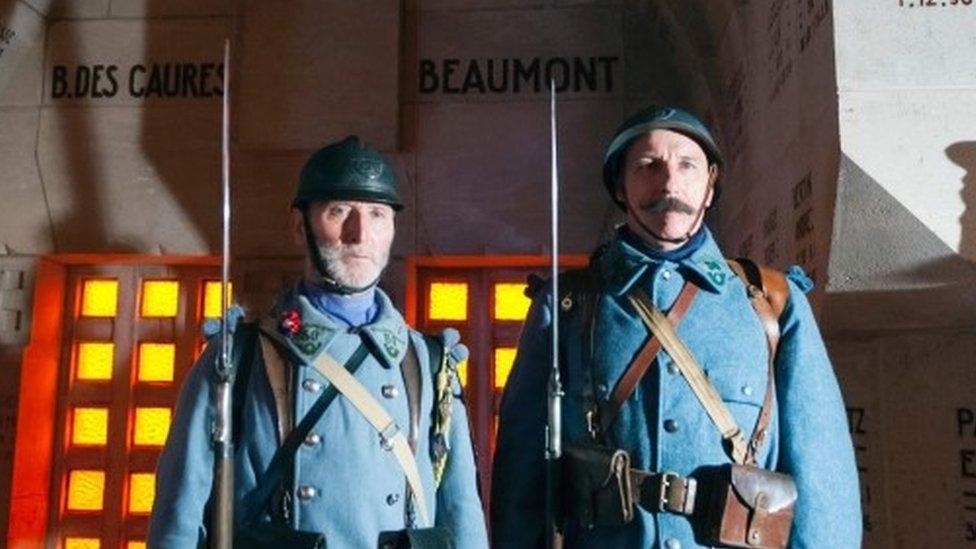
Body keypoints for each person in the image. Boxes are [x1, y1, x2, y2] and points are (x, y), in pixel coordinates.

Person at [490, 106, 861, 548]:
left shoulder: (771, 303)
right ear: (620, 188)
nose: (669, 183)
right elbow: (521, 480)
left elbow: (821, 480)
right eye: (648, 166)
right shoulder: (568, 304)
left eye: (687, 165)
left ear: (709, 185)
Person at [149, 136, 488, 548]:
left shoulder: (430, 362)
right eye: (339, 211)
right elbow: (179, 515)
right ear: (299, 225)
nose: (359, 233)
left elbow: (462, 514)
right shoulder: (238, 357)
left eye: (377, 214)